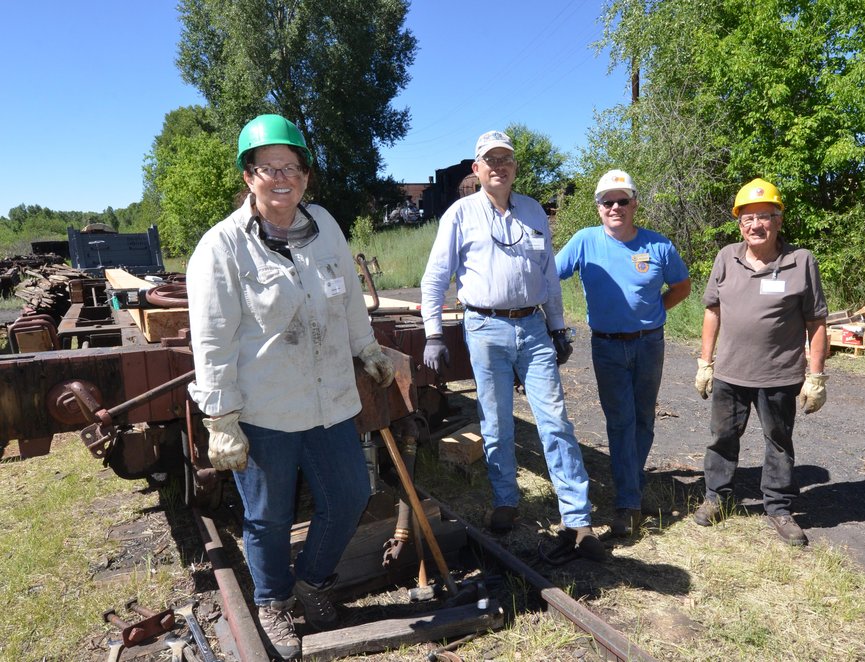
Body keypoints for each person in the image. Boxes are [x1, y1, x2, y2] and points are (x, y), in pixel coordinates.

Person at [186, 114, 395, 659]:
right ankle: (274, 603)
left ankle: (313, 581)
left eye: (293, 168)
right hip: (266, 410)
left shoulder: (324, 223)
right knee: (268, 517)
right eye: (268, 168)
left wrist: (366, 347)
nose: (282, 178)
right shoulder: (221, 247)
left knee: (350, 494)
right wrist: (221, 418)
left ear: (306, 175)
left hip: (330, 402)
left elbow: (347, 295)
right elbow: (212, 341)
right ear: (248, 175)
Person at [420, 130, 604, 561]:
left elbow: (548, 276)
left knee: (555, 420)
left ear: (515, 167)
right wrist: (432, 332)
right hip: (484, 328)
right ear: (477, 168)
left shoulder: (534, 211)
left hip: (533, 328)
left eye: (506, 159)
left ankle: (577, 518)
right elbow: (434, 278)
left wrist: (558, 328)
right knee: (497, 421)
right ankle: (506, 500)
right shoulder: (460, 214)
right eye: (491, 159)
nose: (499, 166)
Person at [693, 177, 828, 546]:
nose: (756, 225)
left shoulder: (800, 262)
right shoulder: (726, 257)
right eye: (748, 218)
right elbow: (712, 312)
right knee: (722, 437)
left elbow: (816, 322)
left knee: (779, 441)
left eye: (765, 216)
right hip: (730, 372)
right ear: (739, 223)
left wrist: (816, 376)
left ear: (779, 220)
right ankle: (716, 498)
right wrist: (705, 362)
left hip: (780, 374)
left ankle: (779, 508)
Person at [556, 169, 691, 537]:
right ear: (598, 207)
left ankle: (630, 489)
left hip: (650, 343)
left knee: (644, 419)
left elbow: (681, 286)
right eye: (607, 201)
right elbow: (549, 276)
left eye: (622, 200)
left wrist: (654, 312)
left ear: (634, 204)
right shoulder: (585, 241)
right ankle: (628, 502)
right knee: (620, 423)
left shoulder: (658, 245)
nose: (615, 207)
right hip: (607, 346)